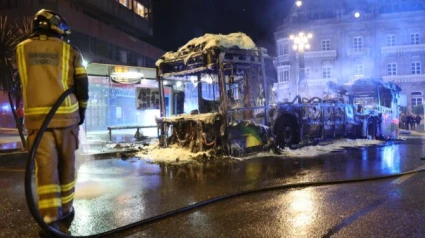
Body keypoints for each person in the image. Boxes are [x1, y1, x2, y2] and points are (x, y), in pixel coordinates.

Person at [15, 9, 88, 233]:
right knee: (66, 168)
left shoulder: (21, 50)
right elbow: (82, 87)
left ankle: (49, 219)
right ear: (56, 26)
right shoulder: (69, 51)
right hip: (67, 120)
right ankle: (66, 212)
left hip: (37, 123)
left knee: (45, 171)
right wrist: (82, 113)